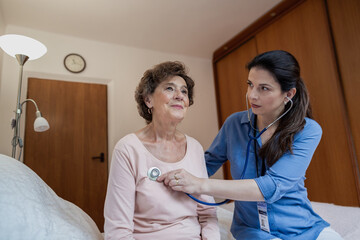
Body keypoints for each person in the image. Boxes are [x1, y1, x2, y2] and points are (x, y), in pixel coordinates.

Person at [157, 51, 343, 240]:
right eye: (250, 84)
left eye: (264, 88)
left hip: (303, 227)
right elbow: (205, 165)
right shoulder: (234, 124)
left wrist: (200, 185)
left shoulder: (308, 130)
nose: (252, 95)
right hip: (252, 230)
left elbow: (271, 186)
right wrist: (167, 176)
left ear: (288, 93)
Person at [104, 61, 220, 240]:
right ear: (148, 99)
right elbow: (118, 230)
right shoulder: (127, 149)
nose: (179, 96)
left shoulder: (195, 147)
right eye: (170, 88)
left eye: (184, 91)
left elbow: (207, 213)